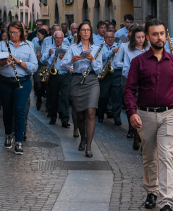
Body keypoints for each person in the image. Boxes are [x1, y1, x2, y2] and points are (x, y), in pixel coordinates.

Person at [123, 19, 173, 211]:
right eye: (155, 34)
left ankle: (166, 202)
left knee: (166, 156)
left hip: (170, 114)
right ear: (148, 37)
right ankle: (151, 190)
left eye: (161, 34)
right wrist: (132, 112)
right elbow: (129, 90)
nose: (159, 37)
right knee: (149, 155)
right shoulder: (138, 62)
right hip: (145, 115)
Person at [59, 21, 103, 158]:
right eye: (83, 30)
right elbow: (62, 66)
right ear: (79, 32)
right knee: (80, 115)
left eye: (88, 30)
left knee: (90, 112)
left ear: (90, 32)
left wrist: (92, 59)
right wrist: (72, 60)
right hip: (77, 81)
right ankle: (83, 138)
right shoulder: (73, 47)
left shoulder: (96, 48)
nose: (85, 32)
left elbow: (99, 69)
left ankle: (89, 146)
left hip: (92, 81)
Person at [0, 20, 39, 155]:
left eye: (15, 32)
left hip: (23, 82)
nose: (12, 35)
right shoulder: (2, 45)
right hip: (5, 82)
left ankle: (19, 142)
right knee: (7, 110)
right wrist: (5, 62)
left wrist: (19, 62)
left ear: (21, 32)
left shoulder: (28, 46)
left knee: (19, 111)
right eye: (10, 32)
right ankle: (9, 134)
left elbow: (34, 66)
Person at [120, 25, 151, 147]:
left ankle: (143, 138)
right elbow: (125, 70)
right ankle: (136, 136)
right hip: (135, 84)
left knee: (145, 113)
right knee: (135, 111)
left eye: (143, 37)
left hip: (147, 85)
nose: (141, 40)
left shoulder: (149, 50)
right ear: (134, 38)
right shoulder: (128, 50)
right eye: (138, 37)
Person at [42, 30, 71, 126]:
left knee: (65, 97)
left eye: (60, 38)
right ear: (54, 39)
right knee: (53, 97)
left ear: (63, 39)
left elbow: (71, 62)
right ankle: (53, 117)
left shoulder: (67, 48)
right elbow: (42, 60)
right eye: (57, 38)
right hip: (53, 74)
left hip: (64, 74)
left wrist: (64, 59)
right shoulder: (49, 48)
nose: (58, 40)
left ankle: (65, 119)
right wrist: (49, 55)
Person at [97, 30, 123, 126]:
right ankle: (100, 114)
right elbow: (101, 57)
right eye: (108, 37)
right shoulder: (101, 47)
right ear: (104, 38)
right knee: (103, 96)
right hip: (105, 73)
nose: (110, 39)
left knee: (117, 96)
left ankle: (117, 118)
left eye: (112, 37)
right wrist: (111, 52)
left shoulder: (119, 46)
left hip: (116, 72)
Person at [32, 28, 49, 110]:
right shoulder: (35, 41)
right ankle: (39, 99)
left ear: (43, 35)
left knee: (45, 84)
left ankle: (46, 101)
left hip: (45, 65)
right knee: (38, 84)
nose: (37, 36)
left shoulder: (48, 42)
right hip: (38, 65)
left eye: (39, 35)